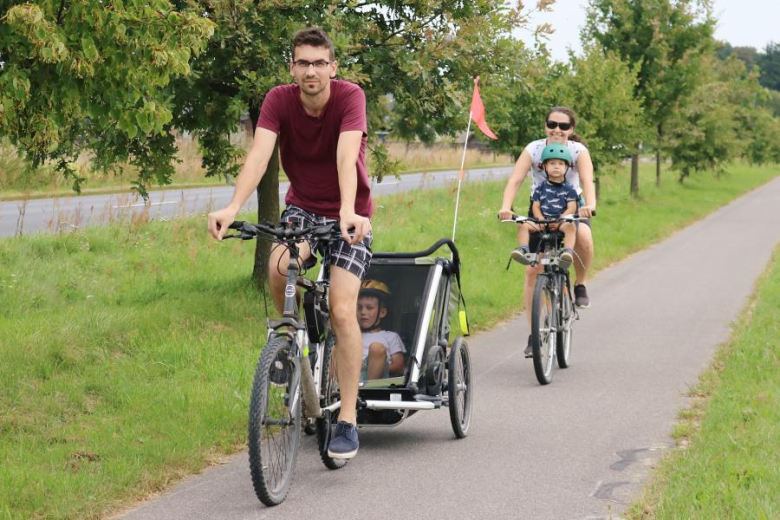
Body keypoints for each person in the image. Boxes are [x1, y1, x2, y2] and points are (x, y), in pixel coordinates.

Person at [207, 27, 371, 460]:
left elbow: (345, 156)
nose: (311, 70)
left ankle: (349, 419)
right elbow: (259, 156)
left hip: (349, 215)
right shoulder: (278, 100)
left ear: (333, 67)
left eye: (320, 63)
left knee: (340, 307)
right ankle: (287, 341)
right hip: (301, 209)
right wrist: (232, 205)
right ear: (292, 67)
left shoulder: (350, 97)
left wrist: (349, 211)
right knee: (279, 266)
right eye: (303, 62)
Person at [498, 106, 596, 358]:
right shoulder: (533, 149)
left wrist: (590, 205)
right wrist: (505, 207)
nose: (557, 130)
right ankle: (534, 333)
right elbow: (515, 180)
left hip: (570, 211)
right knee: (532, 271)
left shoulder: (578, 151)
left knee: (583, 235)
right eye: (552, 124)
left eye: (564, 126)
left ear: (571, 129)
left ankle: (580, 283)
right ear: (545, 126)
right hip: (540, 213)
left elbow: (586, 181)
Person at [512, 144, 577, 272]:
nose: (557, 166)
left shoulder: (569, 188)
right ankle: (524, 250)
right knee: (523, 225)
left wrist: (560, 220)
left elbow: (572, 207)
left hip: (560, 222)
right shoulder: (540, 187)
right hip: (541, 222)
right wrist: (540, 219)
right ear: (544, 167)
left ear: (566, 167)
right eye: (552, 163)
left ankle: (567, 253)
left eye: (560, 164)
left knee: (571, 227)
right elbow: (536, 205)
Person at [357, 280, 406, 381]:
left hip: (377, 378)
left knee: (376, 348)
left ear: (382, 312)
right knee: (337, 347)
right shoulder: (352, 335)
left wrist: (372, 366)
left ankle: (369, 390)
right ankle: (329, 391)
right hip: (351, 375)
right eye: (359, 308)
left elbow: (399, 367)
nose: (363, 312)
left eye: (369, 308)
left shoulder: (391, 337)